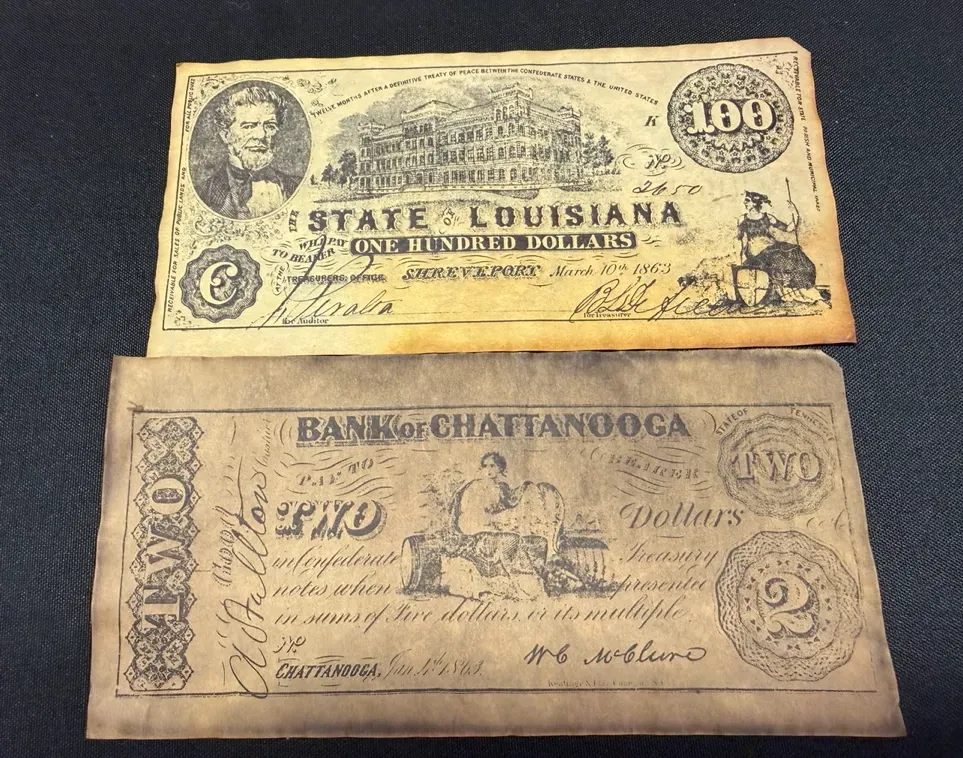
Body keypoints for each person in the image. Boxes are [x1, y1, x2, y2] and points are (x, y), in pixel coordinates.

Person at [196, 85, 299, 219]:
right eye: (249, 126)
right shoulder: (203, 193)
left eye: (270, 126)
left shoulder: (296, 187)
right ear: (225, 135)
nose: (261, 135)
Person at [736, 191, 824, 305]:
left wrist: (795, 213)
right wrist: (739, 258)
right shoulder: (742, 219)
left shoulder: (768, 217)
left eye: (747, 200)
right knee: (779, 258)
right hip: (757, 253)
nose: (744, 203)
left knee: (796, 254)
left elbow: (788, 229)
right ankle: (786, 292)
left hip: (773, 247)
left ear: (754, 202)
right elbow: (738, 240)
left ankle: (801, 290)